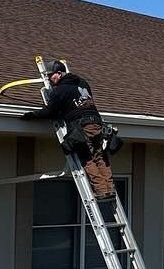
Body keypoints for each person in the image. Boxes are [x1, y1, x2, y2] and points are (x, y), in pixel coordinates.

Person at [20, 61, 116, 200]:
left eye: (51, 75)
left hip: (82, 126)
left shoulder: (60, 90)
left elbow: (50, 112)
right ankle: (110, 189)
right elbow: (76, 103)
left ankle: (101, 191)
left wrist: (31, 115)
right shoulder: (82, 83)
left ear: (59, 74)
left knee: (87, 159)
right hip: (97, 123)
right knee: (100, 157)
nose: (49, 79)